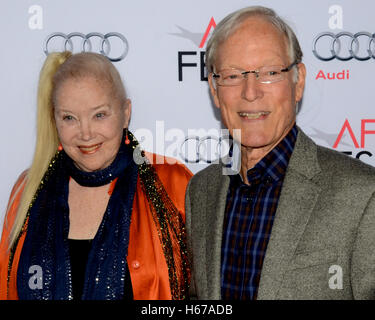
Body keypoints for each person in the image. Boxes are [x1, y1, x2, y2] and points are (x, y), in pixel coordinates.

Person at [185, 6, 375, 300]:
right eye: (233, 76)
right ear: (214, 88)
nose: (251, 92)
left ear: (298, 81)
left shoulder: (362, 194)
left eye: (270, 73)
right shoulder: (202, 190)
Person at [0, 51, 192, 300]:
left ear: (125, 113)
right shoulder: (29, 188)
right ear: (55, 120)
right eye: (69, 118)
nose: (86, 133)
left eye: (99, 115)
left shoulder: (171, 183)